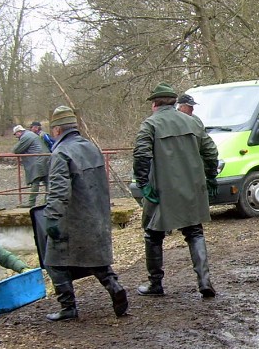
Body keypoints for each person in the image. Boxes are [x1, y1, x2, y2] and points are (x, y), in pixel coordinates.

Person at [39, 106, 129, 322]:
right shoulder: (91, 147)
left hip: (72, 217)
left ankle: (68, 308)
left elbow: (59, 191)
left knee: (53, 261)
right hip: (95, 215)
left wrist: (52, 218)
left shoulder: (61, 153)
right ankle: (114, 286)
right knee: (94, 258)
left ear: (57, 130)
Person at [134, 82, 220, 298]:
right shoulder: (192, 122)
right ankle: (204, 281)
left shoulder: (150, 124)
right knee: (195, 232)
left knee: (153, 235)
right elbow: (211, 151)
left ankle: (155, 283)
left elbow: (141, 155)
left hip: (161, 190)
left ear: (154, 104)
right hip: (192, 188)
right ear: (174, 103)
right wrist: (211, 176)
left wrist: (143, 184)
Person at [12, 124, 50, 207]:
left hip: (37, 160)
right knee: (47, 181)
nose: (16, 136)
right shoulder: (30, 134)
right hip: (45, 158)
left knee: (35, 180)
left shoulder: (26, 137)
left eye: (15, 134)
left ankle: (31, 203)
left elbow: (16, 150)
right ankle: (48, 201)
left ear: (19, 132)